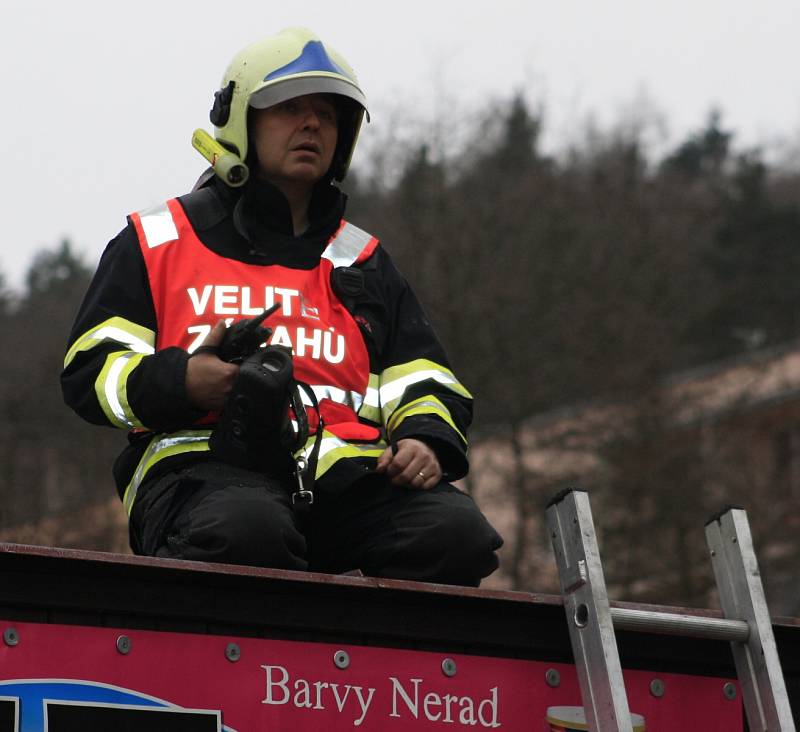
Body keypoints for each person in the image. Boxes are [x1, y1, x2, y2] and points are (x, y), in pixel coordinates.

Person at [61, 27, 502, 586]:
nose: (313, 125)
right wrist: (184, 380)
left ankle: (381, 673)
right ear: (241, 119)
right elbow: (89, 372)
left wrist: (423, 439)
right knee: (247, 531)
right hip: (201, 473)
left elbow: (424, 376)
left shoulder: (362, 260)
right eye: (290, 107)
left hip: (345, 478)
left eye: (328, 114)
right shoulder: (157, 241)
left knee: (455, 535)